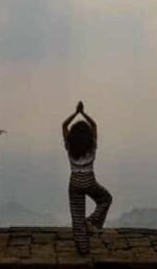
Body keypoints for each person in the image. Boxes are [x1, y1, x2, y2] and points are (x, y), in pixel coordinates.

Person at [62, 101, 113, 255]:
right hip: (89, 181)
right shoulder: (92, 146)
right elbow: (94, 125)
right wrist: (83, 113)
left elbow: (64, 126)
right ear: (88, 136)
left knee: (77, 217)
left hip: (75, 182)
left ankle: (83, 250)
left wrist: (75, 113)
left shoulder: (69, 146)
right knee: (105, 199)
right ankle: (91, 222)